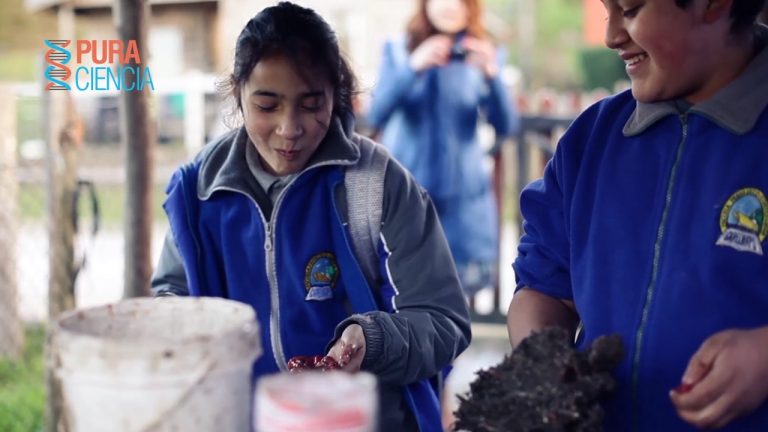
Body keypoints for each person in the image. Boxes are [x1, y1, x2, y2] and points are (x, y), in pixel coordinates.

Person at [150, 3, 471, 431]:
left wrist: (371, 341)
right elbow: (171, 298)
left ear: (336, 95)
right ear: (238, 93)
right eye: (267, 106)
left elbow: (445, 321)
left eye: (311, 104)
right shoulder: (198, 192)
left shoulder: (376, 183)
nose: (290, 129)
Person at [507, 0, 768, 430]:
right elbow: (544, 288)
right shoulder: (591, 140)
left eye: (629, 9)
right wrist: (545, 367)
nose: (611, 35)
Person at [366, 0, 518, 296]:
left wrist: (491, 76)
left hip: (462, 205)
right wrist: (413, 67)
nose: (449, 4)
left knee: (455, 303)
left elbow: (506, 125)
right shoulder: (399, 50)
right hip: (408, 197)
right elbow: (376, 113)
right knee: (404, 297)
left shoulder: (483, 51)